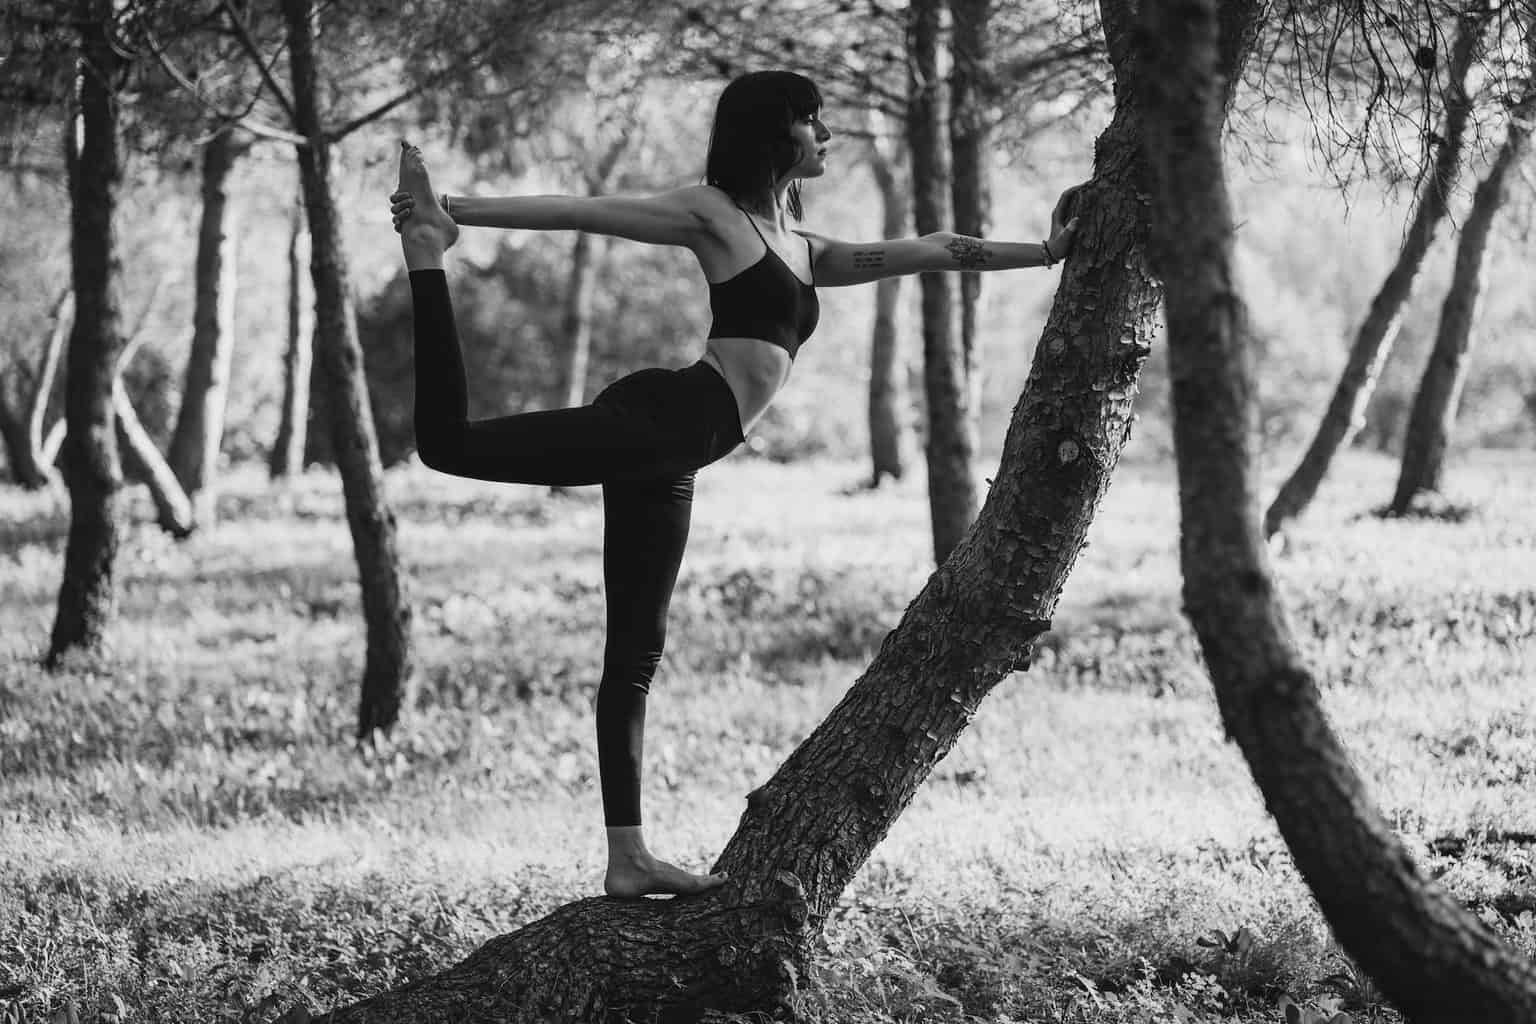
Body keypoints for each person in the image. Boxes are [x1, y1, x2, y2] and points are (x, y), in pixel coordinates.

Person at [389, 70, 1083, 899]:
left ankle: (627, 857)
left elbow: (936, 250)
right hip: (660, 421)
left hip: (675, 451)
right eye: (811, 121)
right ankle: (423, 255)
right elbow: (585, 210)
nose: (826, 135)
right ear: (772, 133)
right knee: (447, 445)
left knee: (637, 651)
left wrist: (1044, 253)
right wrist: (456, 213)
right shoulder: (713, 216)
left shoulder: (803, 246)